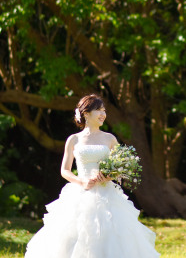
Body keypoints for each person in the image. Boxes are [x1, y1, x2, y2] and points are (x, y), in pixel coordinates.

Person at [25, 94, 160, 258]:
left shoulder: (110, 138)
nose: (103, 114)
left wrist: (109, 176)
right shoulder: (73, 140)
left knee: (111, 235)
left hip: (107, 194)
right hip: (81, 191)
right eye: (99, 110)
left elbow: (122, 165)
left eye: (104, 110)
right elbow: (65, 170)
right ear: (86, 113)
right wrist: (81, 181)